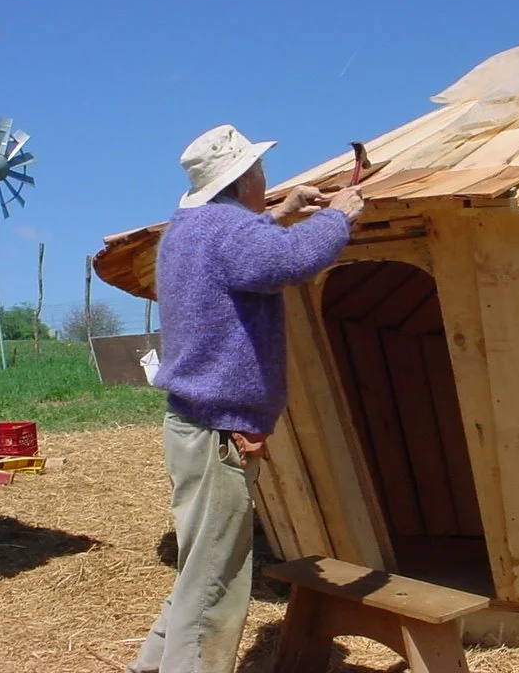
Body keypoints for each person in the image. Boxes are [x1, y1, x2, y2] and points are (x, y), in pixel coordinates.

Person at [127, 124, 364, 673]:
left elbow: (243, 251)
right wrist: (337, 217)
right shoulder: (228, 231)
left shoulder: (189, 227)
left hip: (195, 426)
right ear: (245, 177)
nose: (268, 179)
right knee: (216, 584)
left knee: (203, 568)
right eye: (261, 172)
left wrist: (283, 211)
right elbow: (284, 263)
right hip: (219, 432)